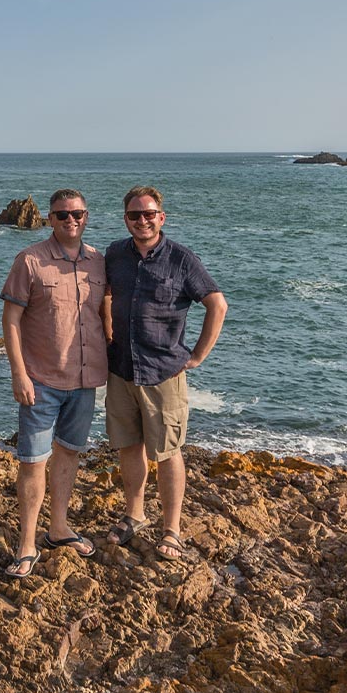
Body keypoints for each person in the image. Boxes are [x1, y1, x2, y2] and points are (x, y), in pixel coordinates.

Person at [103, 185, 227, 562]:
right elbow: (105, 293)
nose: (142, 220)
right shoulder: (114, 254)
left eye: (148, 213)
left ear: (161, 217)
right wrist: (108, 330)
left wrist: (197, 357)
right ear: (126, 219)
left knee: (169, 452)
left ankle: (171, 527)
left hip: (163, 372)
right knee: (128, 446)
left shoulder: (182, 260)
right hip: (121, 369)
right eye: (134, 215)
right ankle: (135, 514)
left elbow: (217, 305)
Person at [0, 188, 108, 578]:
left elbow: (105, 312)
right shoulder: (29, 260)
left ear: (86, 216)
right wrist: (18, 373)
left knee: (69, 454)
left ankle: (58, 529)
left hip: (85, 379)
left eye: (76, 213)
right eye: (62, 215)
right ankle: (27, 543)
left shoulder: (99, 262)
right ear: (50, 219)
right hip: (40, 381)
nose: (70, 220)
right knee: (32, 463)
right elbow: (10, 321)